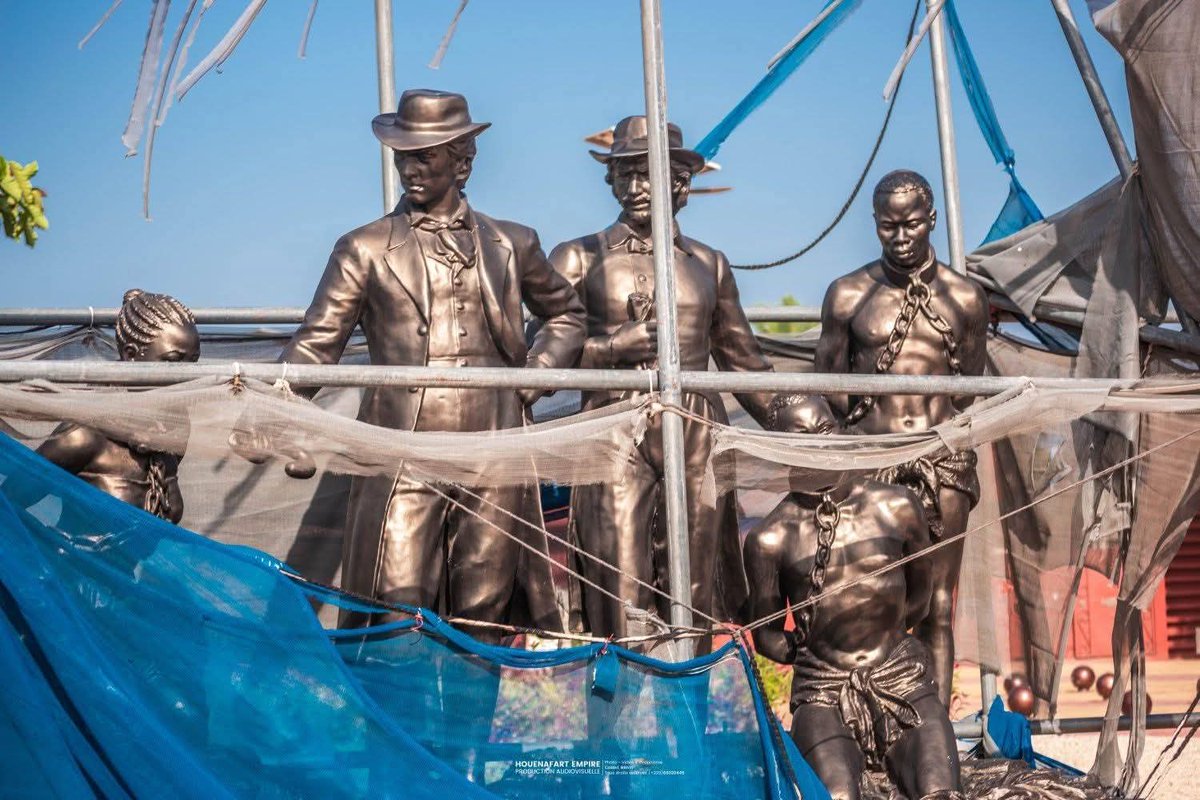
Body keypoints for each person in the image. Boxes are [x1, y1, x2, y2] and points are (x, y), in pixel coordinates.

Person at [279, 89, 585, 634]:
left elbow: (567, 314)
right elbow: (316, 343)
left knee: (485, 611)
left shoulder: (513, 242)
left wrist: (537, 376)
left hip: (495, 454)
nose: (409, 169)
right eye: (402, 156)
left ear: (462, 163)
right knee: (395, 606)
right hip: (404, 456)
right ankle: (398, 692)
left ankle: (469, 694)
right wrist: (274, 407)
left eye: (423, 156)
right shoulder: (363, 248)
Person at [550, 115, 775, 648]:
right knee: (619, 592)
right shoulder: (578, 257)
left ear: (681, 184)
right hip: (614, 432)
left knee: (693, 596)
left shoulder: (709, 265)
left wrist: (807, 424)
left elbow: (746, 365)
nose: (634, 186)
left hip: (696, 435)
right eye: (624, 174)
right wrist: (609, 349)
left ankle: (688, 698)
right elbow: (538, 355)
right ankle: (621, 702)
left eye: (647, 173)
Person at [814, 169, 989, 704]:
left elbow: (968, 388)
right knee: (875, 601)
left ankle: (934, 729)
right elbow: (828, 386)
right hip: (872, 465)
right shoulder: (847, 295)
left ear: (932, 219)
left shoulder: (966, 298)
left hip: (943, 464)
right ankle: (879, 729)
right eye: (888, 226)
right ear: (875, 223)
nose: (901, 236)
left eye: (911, 224)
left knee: (938, 605)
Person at [744, 395, 963, 800]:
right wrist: (814, 650)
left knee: (940, 790)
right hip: (823, 691)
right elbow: (767, 636)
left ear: (839, 427)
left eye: (825, 428)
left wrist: (884, 636)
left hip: (901, 676)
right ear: (782, 447)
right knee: (836, 794)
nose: (820, 442)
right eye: (803, 436)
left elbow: (921, 597)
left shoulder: (898, 505)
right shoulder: (768, 538)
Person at [38, 288, 199, 523]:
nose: (185, 376)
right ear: (130, 355)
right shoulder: (84, 434)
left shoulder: (176, 429)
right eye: (172, 361)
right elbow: (8, 505)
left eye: (193, 363)